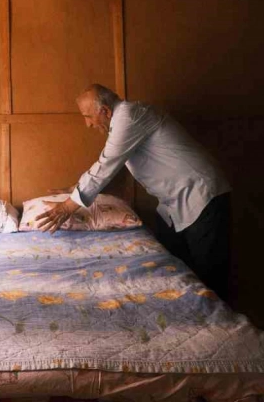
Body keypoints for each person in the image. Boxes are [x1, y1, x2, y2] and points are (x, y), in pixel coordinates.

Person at [36, 84, 232, 300]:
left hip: (202, 196)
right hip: (176, 203)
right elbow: (111, 171)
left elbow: (105, 165)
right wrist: (74, 190)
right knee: (176, 273)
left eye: (88, 117)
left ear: (105, 111)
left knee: (210, 278)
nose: (88, 124)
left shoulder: (129, 116)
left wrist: (67, 208)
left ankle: (219, 319)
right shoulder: (123, 122)